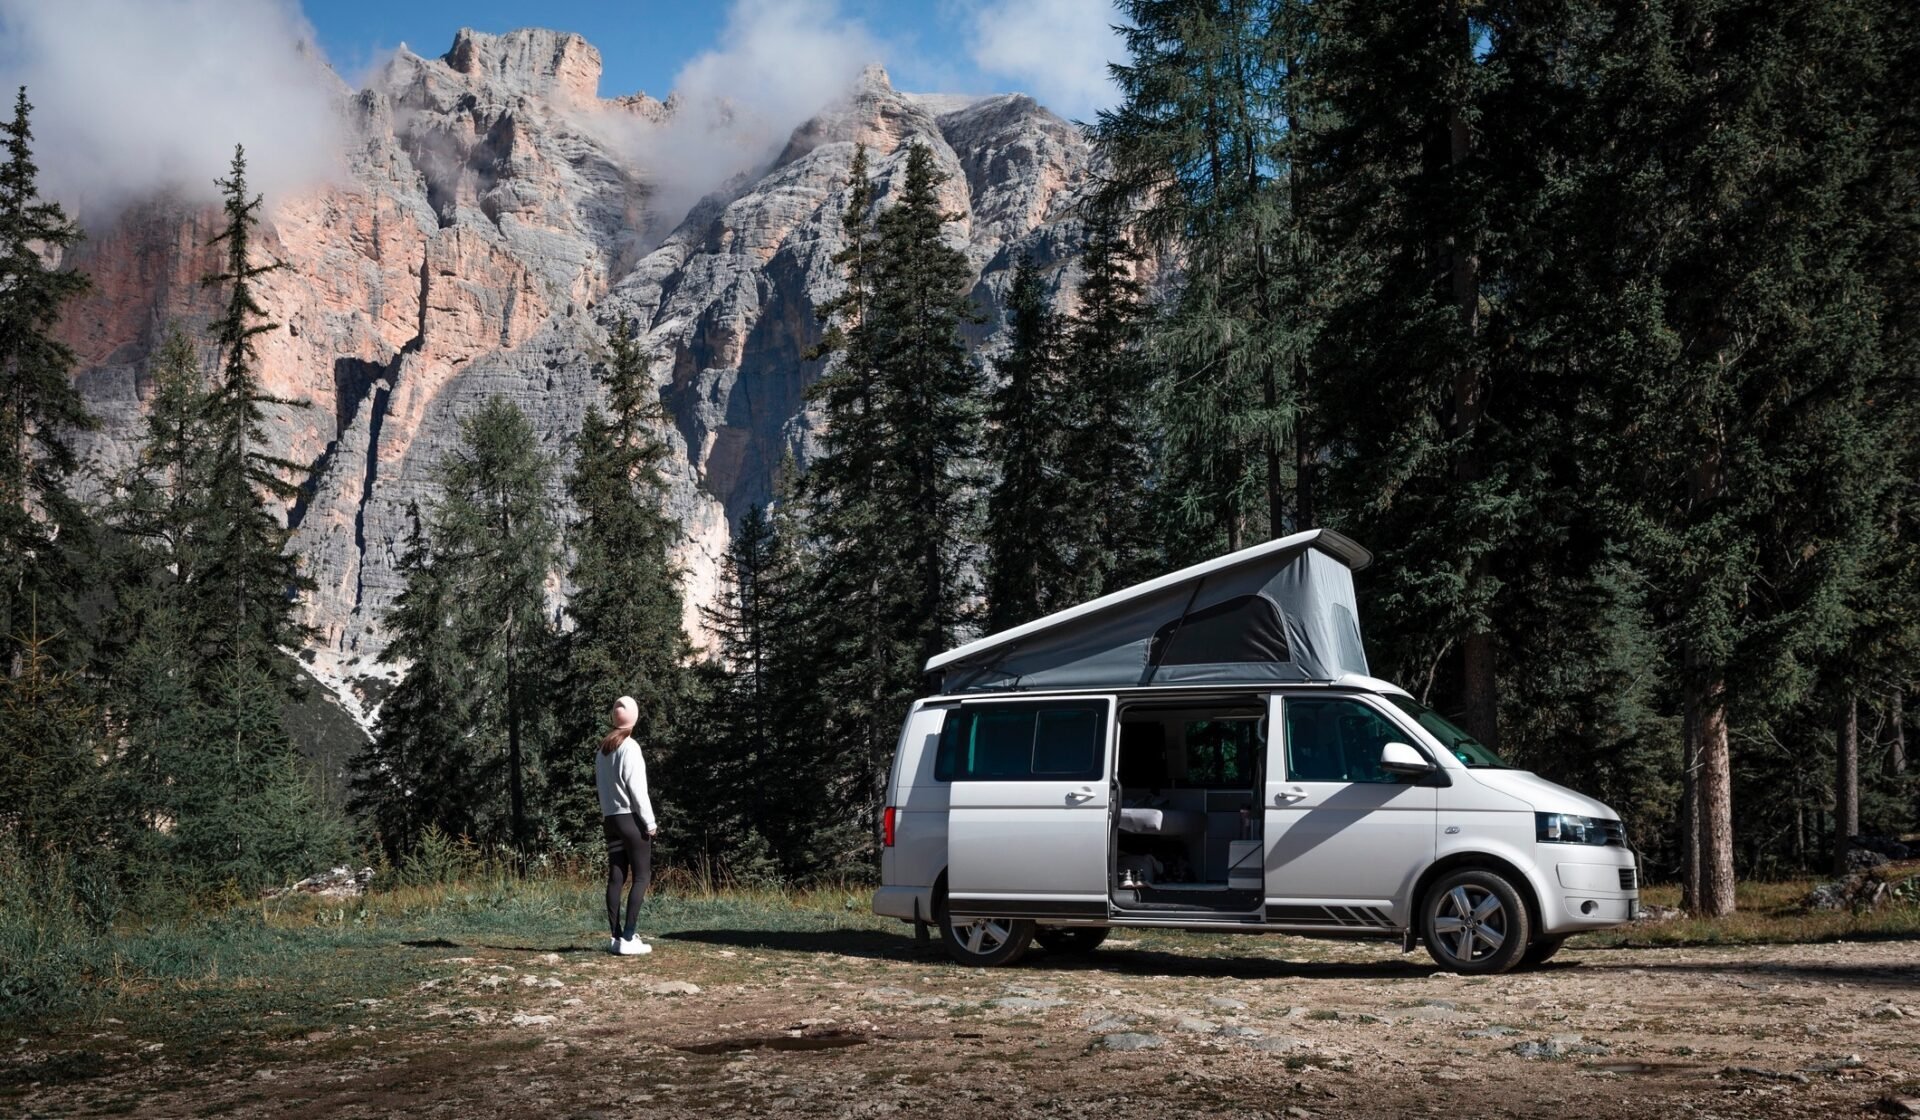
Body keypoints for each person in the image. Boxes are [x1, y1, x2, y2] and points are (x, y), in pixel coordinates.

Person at [595, 695, 657, 955]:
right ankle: (630, 938)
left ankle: (615, 936)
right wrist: (650, 822)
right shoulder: (629, 747)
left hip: (610, 819)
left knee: (616, 876)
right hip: (630, 818)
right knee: (642, 876)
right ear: (635, 718)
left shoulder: (603, 749)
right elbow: (637, 789)